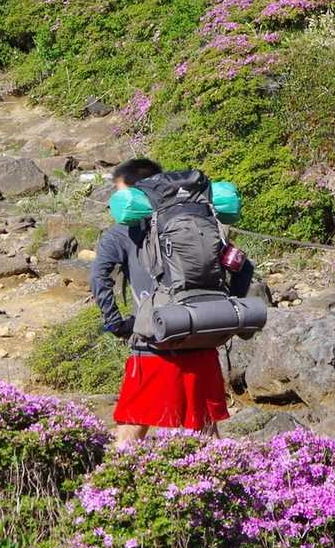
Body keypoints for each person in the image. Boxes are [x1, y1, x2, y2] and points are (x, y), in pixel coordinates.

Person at [90, 157, 252, 448]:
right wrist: (229, 308)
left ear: (134, 192)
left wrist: (115, 323)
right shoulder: (201, 222)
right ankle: (224, 474)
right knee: (205, 432)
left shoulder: (120, 233)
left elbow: (99, 277)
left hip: (154, 345)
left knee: (131, 428)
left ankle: (117, 478)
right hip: (202, 336)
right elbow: (243, 266)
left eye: (119, 193)